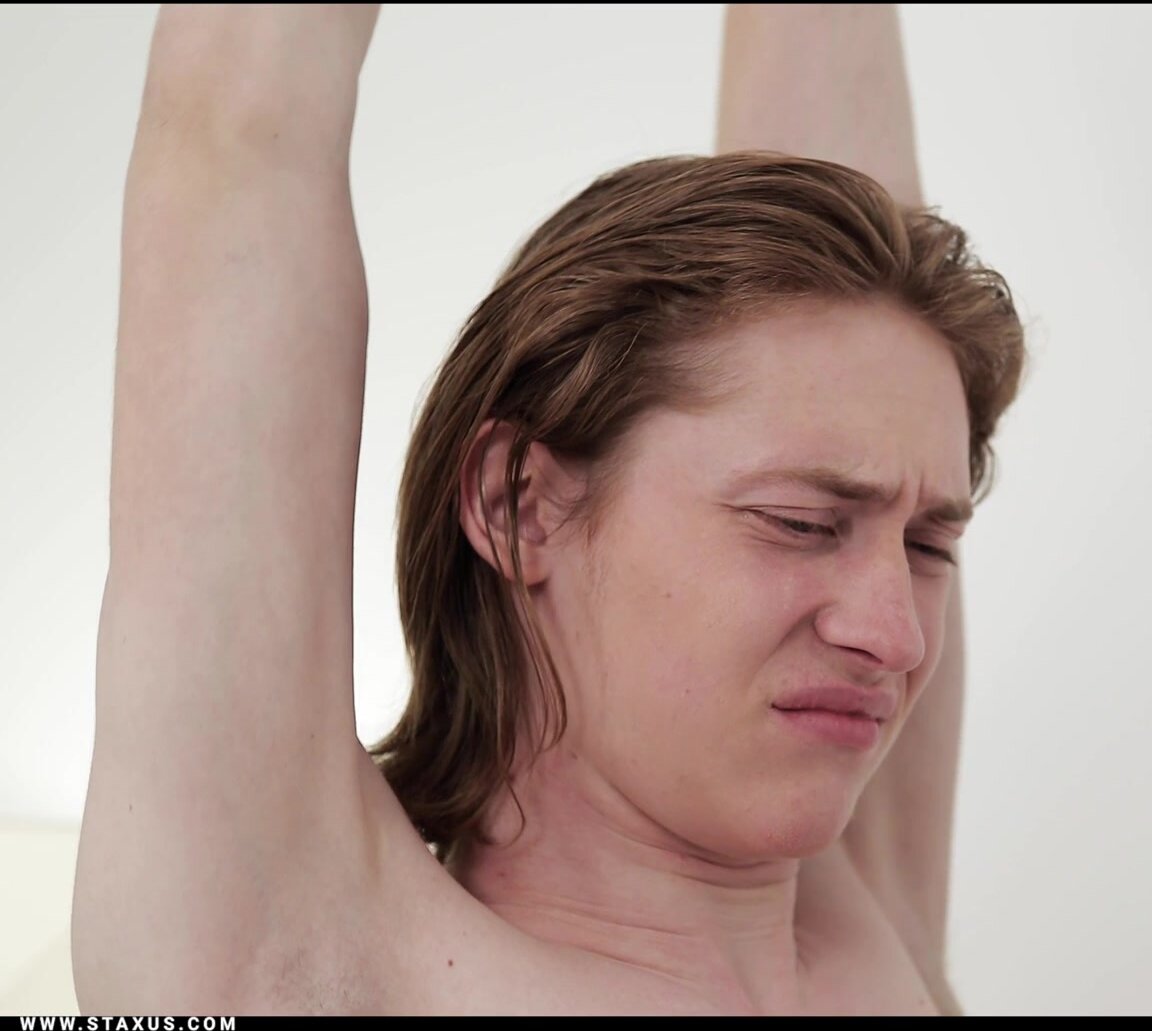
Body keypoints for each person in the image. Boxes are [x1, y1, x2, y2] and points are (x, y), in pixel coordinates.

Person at [74, 3, 1026, 1016]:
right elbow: (239, 130)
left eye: (929, 543)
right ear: (520, 501)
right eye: (800, 522)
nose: (896, 634)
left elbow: (846, 228)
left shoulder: (873, 921)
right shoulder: (301, 958)